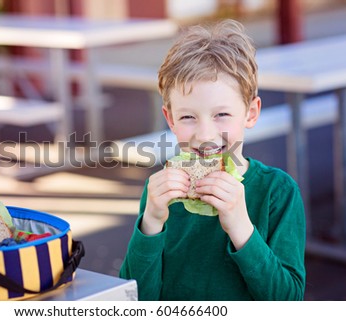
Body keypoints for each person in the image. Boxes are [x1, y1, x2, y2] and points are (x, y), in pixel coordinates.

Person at [119, 19, 306, 300]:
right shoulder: (160, 192)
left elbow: (288, 302)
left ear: (251, 113)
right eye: (188, 117)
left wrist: (242, 229)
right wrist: (152, 221)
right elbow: (135, 299)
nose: (205, 134)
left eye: (222, 115)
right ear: (170, 119)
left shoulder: (278, 192)